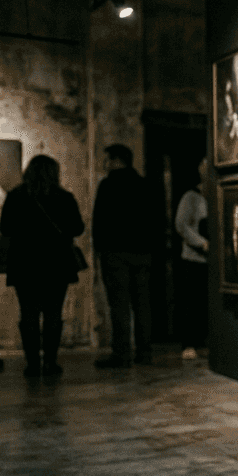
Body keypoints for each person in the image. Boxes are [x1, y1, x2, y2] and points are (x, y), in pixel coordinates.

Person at [0, 155, 85, 377]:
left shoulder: (16, 196)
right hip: (56, 264)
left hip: (24, 263)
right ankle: (50, 362)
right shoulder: (63, 197)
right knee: (53, 314)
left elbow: (5, 228)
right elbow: (77, 228)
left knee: (28, 314)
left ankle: (32, 364)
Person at [93, 144, 156, 368]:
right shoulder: (144, 185)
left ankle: (121, 353)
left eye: (108, 159)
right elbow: (154, 219)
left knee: (119, 304)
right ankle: (144, 351)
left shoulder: (108, 185)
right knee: (142, 304)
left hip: (115, 252)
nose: (106, 164)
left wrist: (98, 250)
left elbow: (99, 221)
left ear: (116, 160)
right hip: (142, 252)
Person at [174, 159, 209, 360]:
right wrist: (202, 243)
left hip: (209, 261)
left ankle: (203, 340)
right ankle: (189, 342)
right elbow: (181, 225)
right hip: (193, 258)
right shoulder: (191, 197)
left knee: (204, 302)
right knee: (191, 302)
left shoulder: (212, 196)